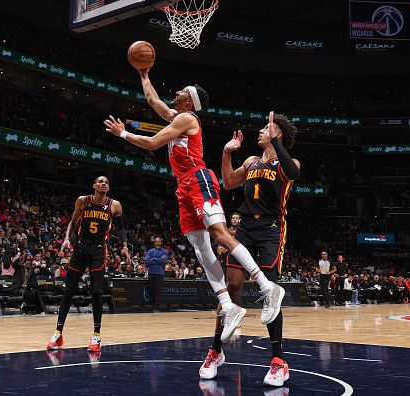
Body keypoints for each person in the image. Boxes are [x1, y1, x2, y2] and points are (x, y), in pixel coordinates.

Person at [104, 70, 284, 343]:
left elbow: (153, 143)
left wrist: (123, 133)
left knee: (220, 235)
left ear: (190, 102)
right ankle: (228, 304)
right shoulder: (178, 116)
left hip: (199, 179)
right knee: (200, 247)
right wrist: (144, 75)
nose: (176, 94)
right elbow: (154, 102)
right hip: (183, 185)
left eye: (182, 92)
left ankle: (266, 286)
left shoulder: (187, 118)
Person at [200, 111, 300, 387]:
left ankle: (279, 361)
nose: (259, 132)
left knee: (270, 293)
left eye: (265, 129)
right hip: (244, 227)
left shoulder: (288, 162)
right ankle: (215, 351)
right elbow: (228, 181)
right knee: (230, 289)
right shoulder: (252, 160)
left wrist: (274, 140)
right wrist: (226, 153)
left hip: (270, 229)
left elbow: (293, 172)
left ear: (277, 135)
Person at [46, 176, 130, 355]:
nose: (104, 184)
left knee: (97, 291)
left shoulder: (114, 205)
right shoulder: (83, 201)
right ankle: (57, 333)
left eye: (106, 182)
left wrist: (124, 246)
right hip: (80, 248)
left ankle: (96, 336)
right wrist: (67, 239)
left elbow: (121, 228)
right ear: (93, 185)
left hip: (98, 251)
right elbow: (73, 222)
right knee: (69, 290)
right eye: (100, 181)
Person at [145, 237, 169, 312]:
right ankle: (153, 306)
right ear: (154, 243)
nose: (157, 243)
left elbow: (163, 261)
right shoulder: (150, 251)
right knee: (152, 290)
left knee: (157, 291)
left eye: (159, 242)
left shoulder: (165, 251)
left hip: (159, 273)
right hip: (151, 273)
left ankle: (156, 308)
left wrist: (153, 259)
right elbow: (147, 261)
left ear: (161, 243)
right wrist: (158, 260)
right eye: (156, 242)